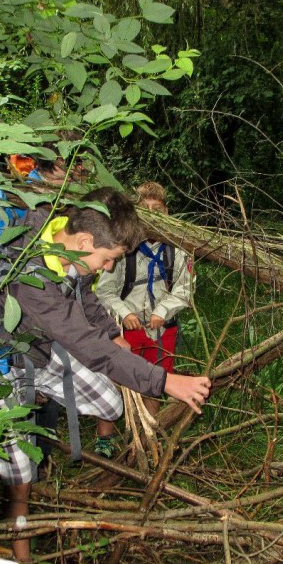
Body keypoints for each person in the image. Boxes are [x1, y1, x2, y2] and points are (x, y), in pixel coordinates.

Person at [0, 180, 211, 562]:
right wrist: (165, 381)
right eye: (108, 259)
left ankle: (41, 398)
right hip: (0, 363)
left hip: (41, 351)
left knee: (110, 404)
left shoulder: (71, 246)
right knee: (20, 473)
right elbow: (86, 344)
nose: (110, 267)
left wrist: (113, 334)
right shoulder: (31, 277)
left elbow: (85, 297)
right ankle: (21, 558)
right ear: (85, 241)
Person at [92, 182, 193, 458]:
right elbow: (104, 291)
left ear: (166, 212)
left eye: (156, 210)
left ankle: (147, 435)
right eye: (144, 210)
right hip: (128, 328)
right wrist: (125, 313)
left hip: (162, 329)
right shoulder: (124, 248)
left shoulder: (178, 249)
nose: (151, 215)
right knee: (116, 379)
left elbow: (184, 290)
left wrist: (164, 311)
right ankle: (105, 438)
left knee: (156, 380)